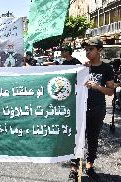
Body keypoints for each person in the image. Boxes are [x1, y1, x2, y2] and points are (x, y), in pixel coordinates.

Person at [68, 37, 114, 181]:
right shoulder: (83, 67)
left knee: (93, 139)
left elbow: (110, 91)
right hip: (80, 109)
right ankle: (74, 170)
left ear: (99, 50)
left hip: (97, 109)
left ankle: (89, 167)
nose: (87, 52)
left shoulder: (107, 68)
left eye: (91, 49)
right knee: (77, 138)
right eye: (86, 49)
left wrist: (97, 86)